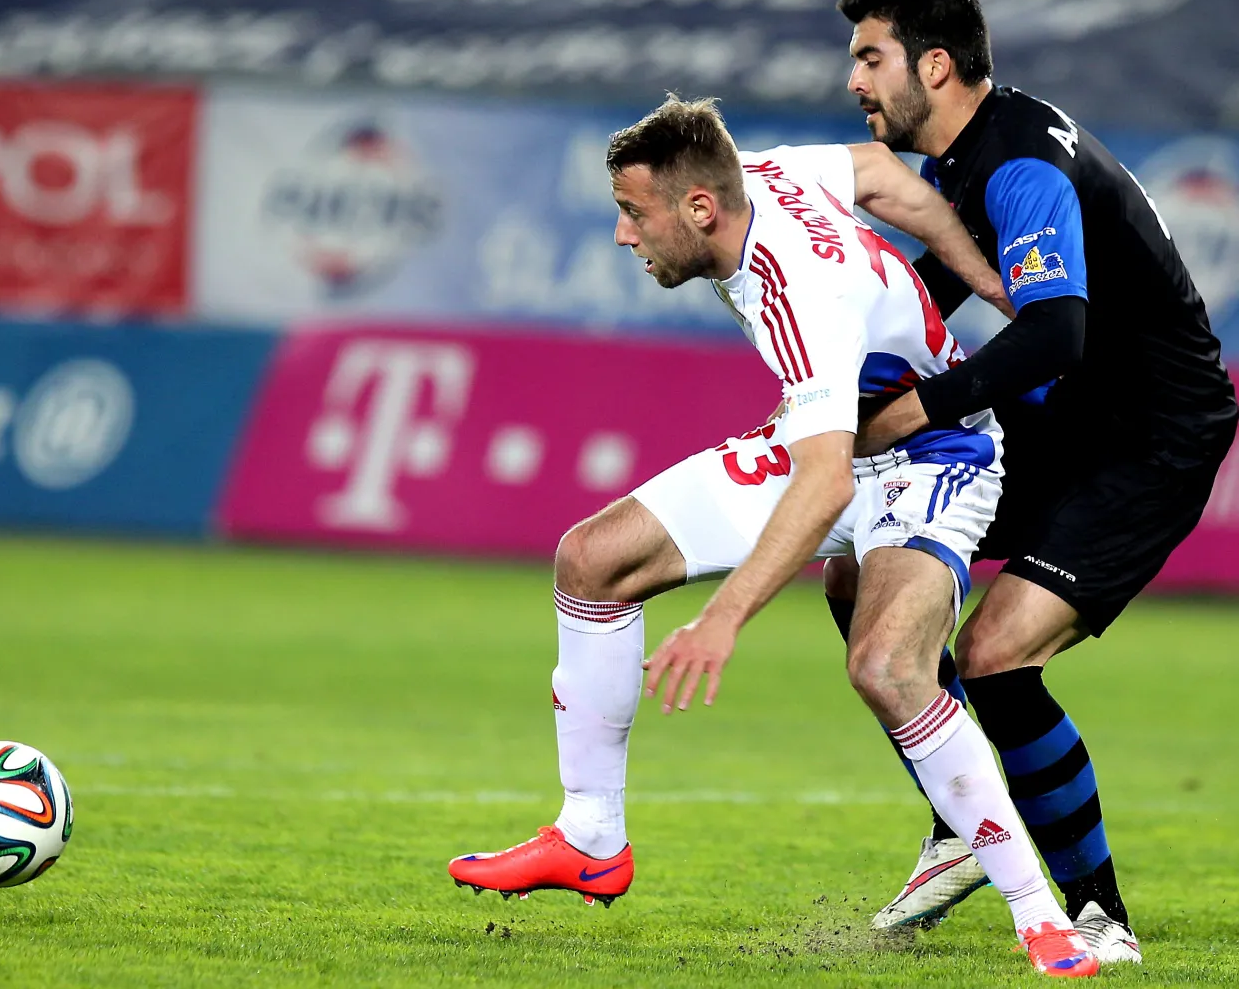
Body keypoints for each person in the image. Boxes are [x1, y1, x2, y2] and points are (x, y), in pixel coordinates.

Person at [448, 95, 1100, 978]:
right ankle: (590, 836)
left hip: (930, 455)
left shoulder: (803, 295)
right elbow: (878, 177)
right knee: (592, 559)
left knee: (886, 667)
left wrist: (723, 617)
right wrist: (981, 278)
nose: (621, 235)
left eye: (634, 213)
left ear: (698, 210)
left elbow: (824, 480)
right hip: (836, 432)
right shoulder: (767, 173)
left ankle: (1041, 918)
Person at [832, 0, 1238, 963]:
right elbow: (933, 292)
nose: (853, 81)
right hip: (1065, 425)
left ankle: (1098, 913)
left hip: (1150, 438)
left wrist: (908, 411)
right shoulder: (968, 154)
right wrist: (832, 394)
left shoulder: (1014, 164)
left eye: (867, 57)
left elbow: (1053, 331)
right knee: (856, 567)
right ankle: (955, 823)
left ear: (934, 64)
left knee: (993, 654)